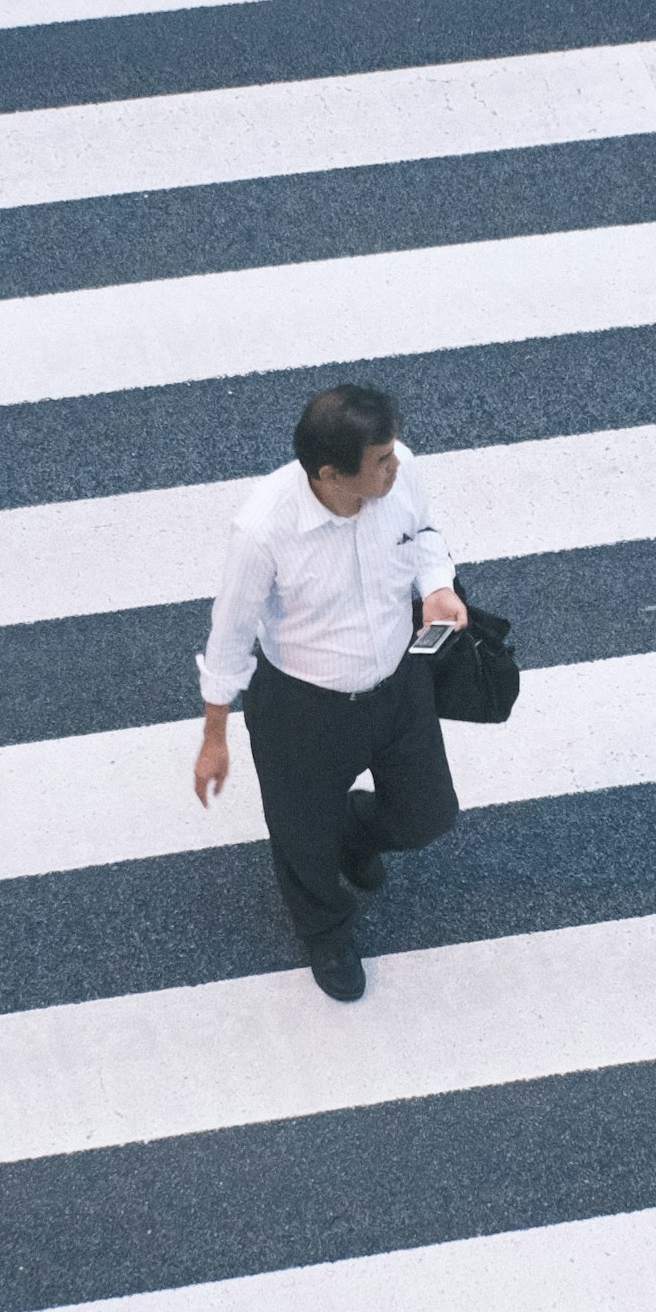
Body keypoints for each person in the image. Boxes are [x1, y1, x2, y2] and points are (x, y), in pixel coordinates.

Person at [190, 383, 469, 1001]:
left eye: (393, 452)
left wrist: (439, 585)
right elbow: (229, 637)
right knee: (303, 845)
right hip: (303, 708)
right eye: (382, 461)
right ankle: (327, 931)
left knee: (428, 815)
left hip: (399, 687)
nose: (398, 465)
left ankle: (356, 830)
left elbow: (424, 534)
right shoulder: (264, 530)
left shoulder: (402, 473)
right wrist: (215, 737)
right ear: (329, 474)